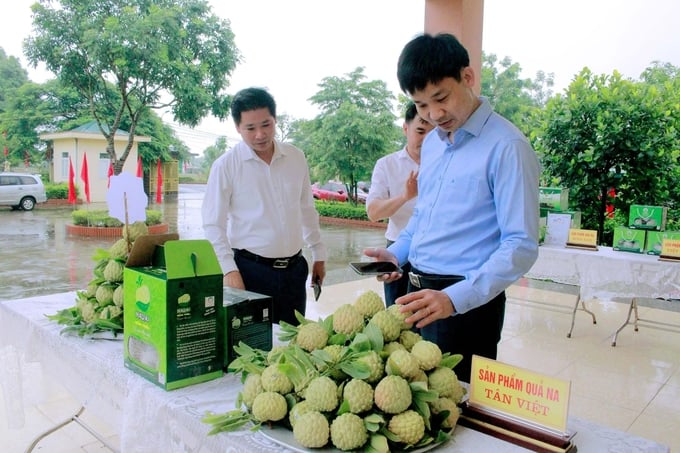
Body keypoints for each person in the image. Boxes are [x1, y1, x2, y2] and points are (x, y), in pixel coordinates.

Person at [365, 33, 540, 382]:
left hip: (466, 305)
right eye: (421, 105)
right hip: (414, 294)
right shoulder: (432, 145)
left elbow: (520, 245)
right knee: (410, 406)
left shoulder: (507, 146)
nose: (434, 114)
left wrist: (454, 299)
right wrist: (397, 254)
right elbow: (423, 219)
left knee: (457, 418)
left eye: (440, 98)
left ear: (468, 78)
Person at [202, 87, 327, 325]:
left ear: (275, 120)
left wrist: (318, 253)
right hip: (250, 273)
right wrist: (229, 271)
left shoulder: (295, 157)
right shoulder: (226, 166)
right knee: (253, 350)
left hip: (294, 271)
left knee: (294, 346)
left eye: (266, 124)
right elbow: (212, 225)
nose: (260, 134)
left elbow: (307, 209)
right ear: (238, 127)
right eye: (250, 128)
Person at [366, 103, 434, 306]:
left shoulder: (445, 165)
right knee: (397, 318)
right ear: (406, 128)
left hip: (432, 253)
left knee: (427, 321)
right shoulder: (387, 165)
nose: (426, 140)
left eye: (433, 133)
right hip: (396, 249)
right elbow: (373, 212)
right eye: (420, 131)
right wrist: (405, 196)